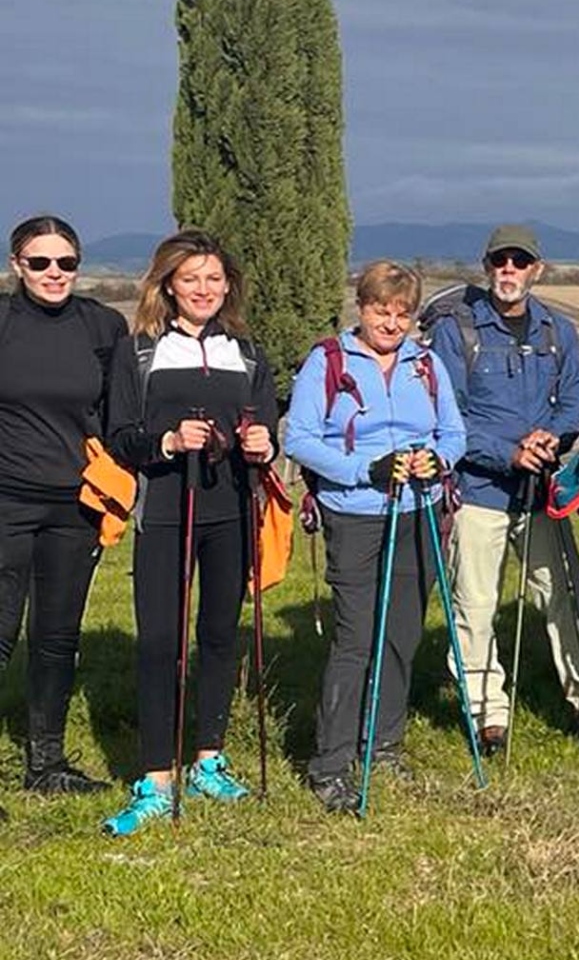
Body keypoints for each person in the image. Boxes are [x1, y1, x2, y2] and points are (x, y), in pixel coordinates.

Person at [103, 231, 279, 833]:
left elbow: (266, 428)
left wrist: (264, 444)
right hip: (165, 514)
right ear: (168, 285)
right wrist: (168, 442)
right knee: (159, 642)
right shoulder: (141, 353)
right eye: (190, 279)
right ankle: (156, 776)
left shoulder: (248, 354)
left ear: (227, 284)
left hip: (230, 512)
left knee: (219, 636)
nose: (203, 289)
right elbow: (120, 436)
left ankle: (208, 757)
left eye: (213, 278)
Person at [429, 225, 579, 754]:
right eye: (500, 261)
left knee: (567, 597)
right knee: (475, 604)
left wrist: (552, 438)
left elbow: (574, 397)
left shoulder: (558, 330)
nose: (509, 269)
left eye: (520, 261)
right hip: (480, 487)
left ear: (538, 269)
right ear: (487, 266)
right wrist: (506, 451)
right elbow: (451, 416)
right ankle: (487, 715)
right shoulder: (456, 330)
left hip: (540, 491)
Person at [287, 262, 466, 813]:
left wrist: (437, 460)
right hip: (356, 512)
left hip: (420, 509)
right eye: (380, 310)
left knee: (403, 634)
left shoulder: (426, 363)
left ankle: (382, 745)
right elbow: (298, 437)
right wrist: (365, 468)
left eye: (402, 313)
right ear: (360, 307)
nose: (391, 322)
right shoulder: (328, 361)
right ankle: (331, 763)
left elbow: (453, 432)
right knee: (356, 638)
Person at [0, 215, 127, 795]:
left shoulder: (102, 326)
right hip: (7, 502)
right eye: (40, 263)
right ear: (16, 266)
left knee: (57, 637)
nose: (55, 273)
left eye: (66, 263)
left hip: (76, 506)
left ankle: (45, 766)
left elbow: (120, 416)